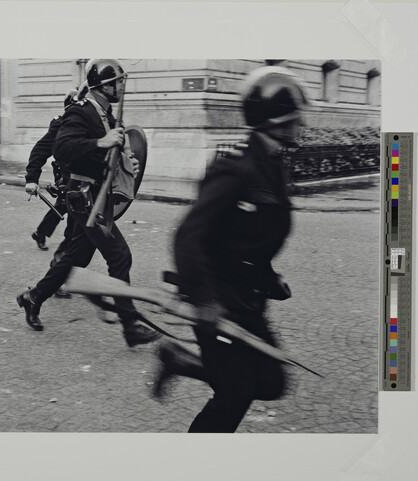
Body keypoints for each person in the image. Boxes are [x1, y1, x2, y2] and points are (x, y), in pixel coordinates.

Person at [151, 66, 308, 432]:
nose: (302, 123)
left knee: (271, 383)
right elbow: (188, 236)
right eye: (296, 116)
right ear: (277, 119)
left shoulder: (273, 165)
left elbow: (248, 240)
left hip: (249, 300)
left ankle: (180, 359)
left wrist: (269, 279)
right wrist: (205, 300)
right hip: (219, 301)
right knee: (233, 396)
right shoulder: (235, 168)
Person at [17, 59, 161, 348]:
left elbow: (106, 155)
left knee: (76, 259)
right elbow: (61, 147)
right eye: (118, 82)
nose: (122, 86)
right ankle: (130, 327)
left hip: (99, 197)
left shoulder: (107, 115)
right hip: (85, 199)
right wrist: (102, 143)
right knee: (120, 256)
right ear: (104, 86)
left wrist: (124, 160)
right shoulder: (79, 113)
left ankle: (33, 297)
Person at [25, 88, 78, 256]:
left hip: (78, 179)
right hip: (67, 178)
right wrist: (31, 178)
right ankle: (62, 255)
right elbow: (40, 150)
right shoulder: (61, 125)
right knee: (70, 210)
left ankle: (42, 234)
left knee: (64, 207)